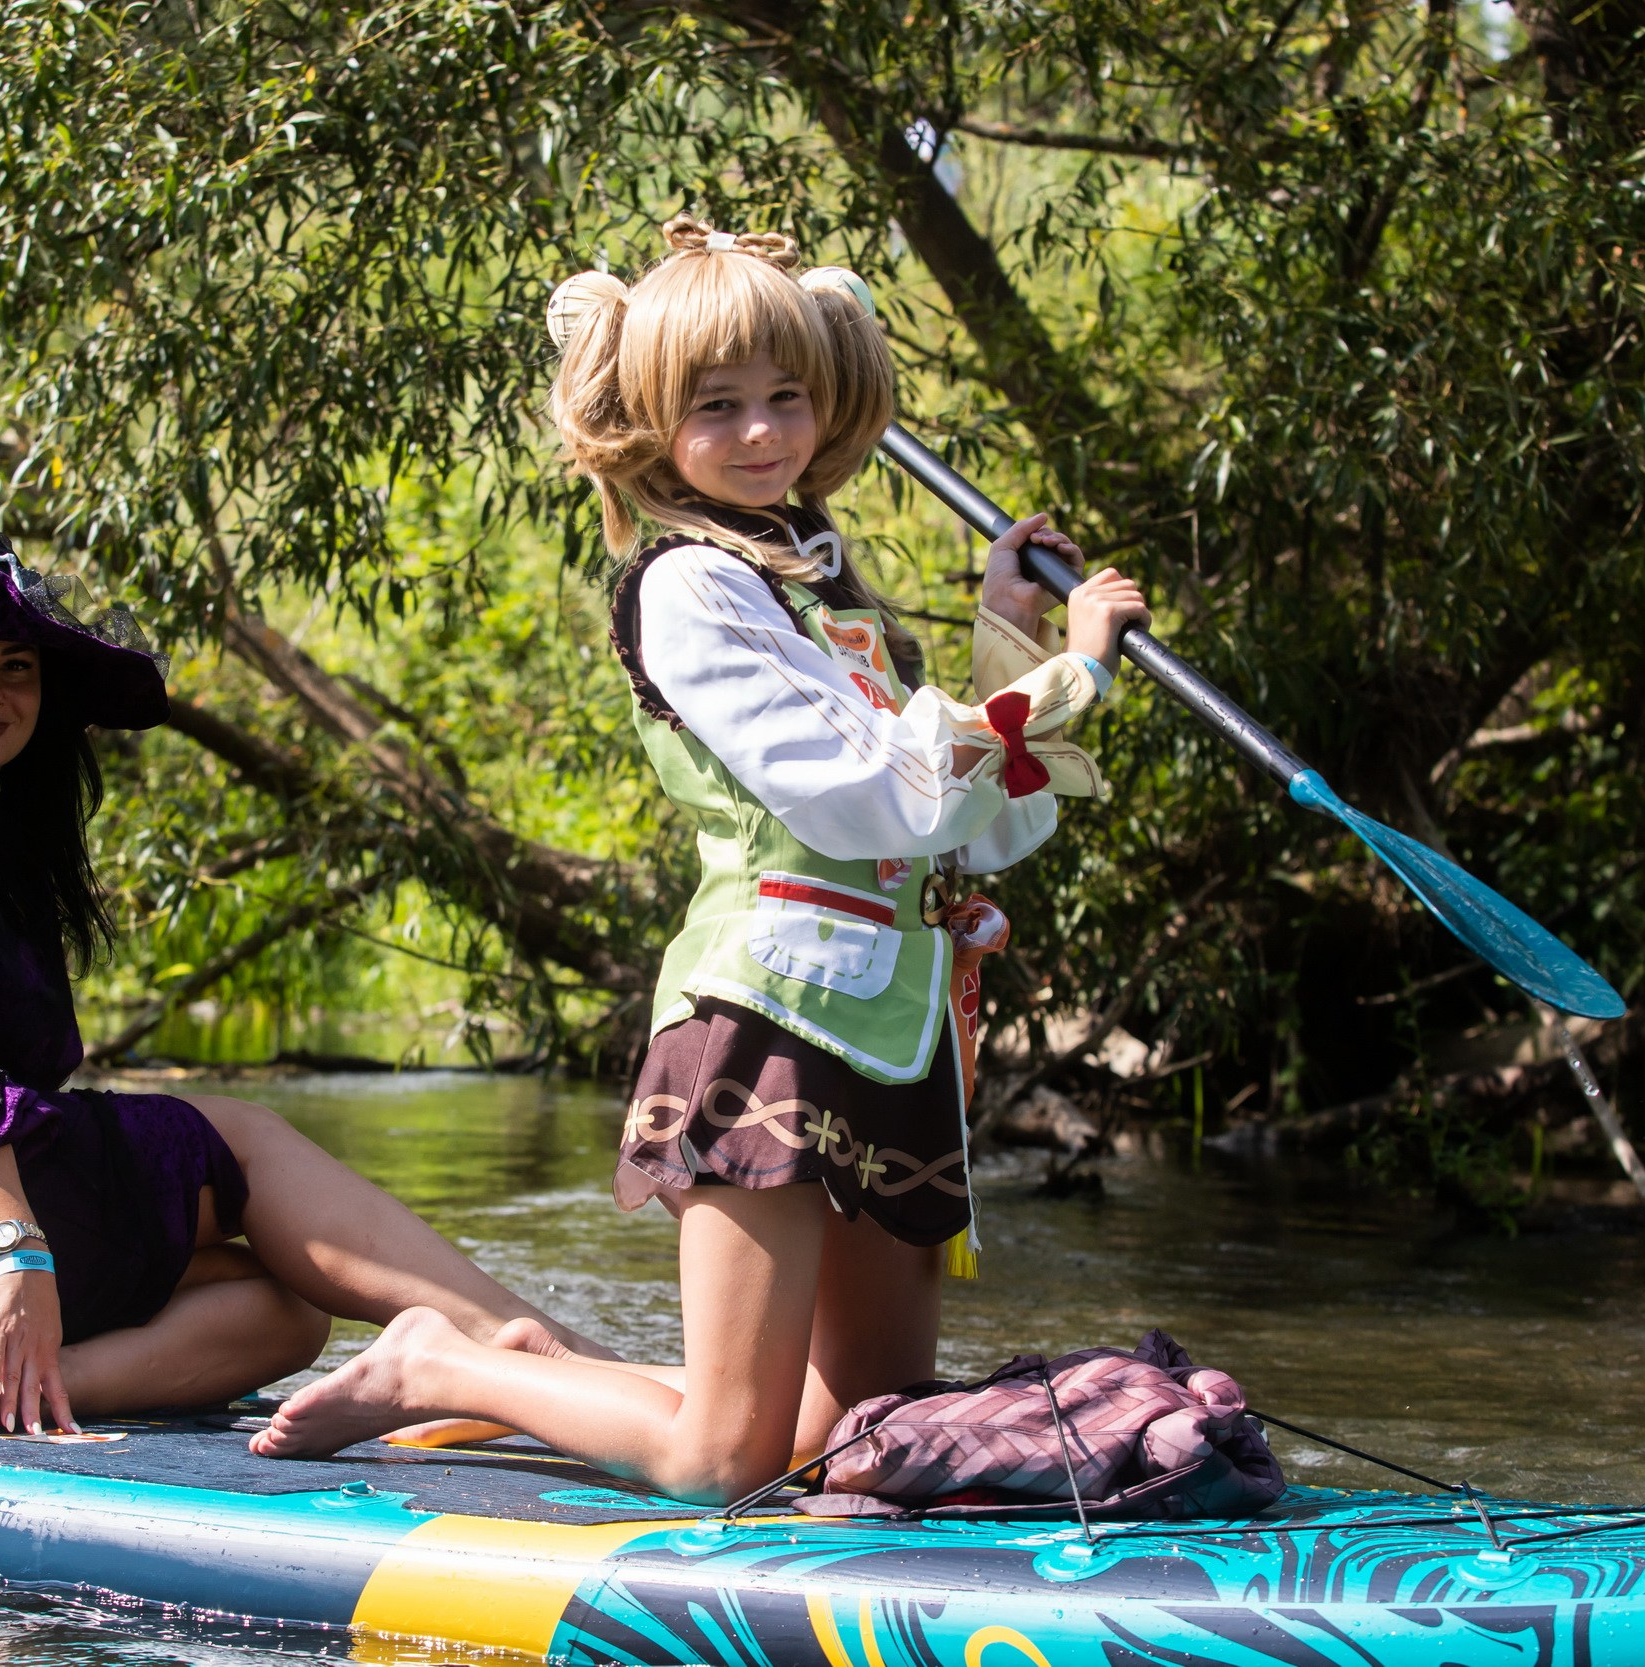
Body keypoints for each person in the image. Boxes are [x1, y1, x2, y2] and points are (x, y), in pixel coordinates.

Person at [252, 216, 1149, 1502]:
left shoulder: (831, 598)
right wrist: (1075, 672)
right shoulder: (687, 587)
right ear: (653, 421)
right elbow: (861, 799)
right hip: (768, 1011)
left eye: (786, 397)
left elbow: (983, 819)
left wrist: (1007, 637)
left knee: (855, 1441)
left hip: (899, 1035)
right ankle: (443, 1366)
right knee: (719, 1459)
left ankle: (500, 1368)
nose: (761, 432)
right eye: (716, 406)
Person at [0, 488, 605, 1433]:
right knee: (239, 1138)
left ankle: (8, 1381)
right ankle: (540, 1352)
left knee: (284, 1309)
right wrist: (19, 1254)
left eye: (13, 668)